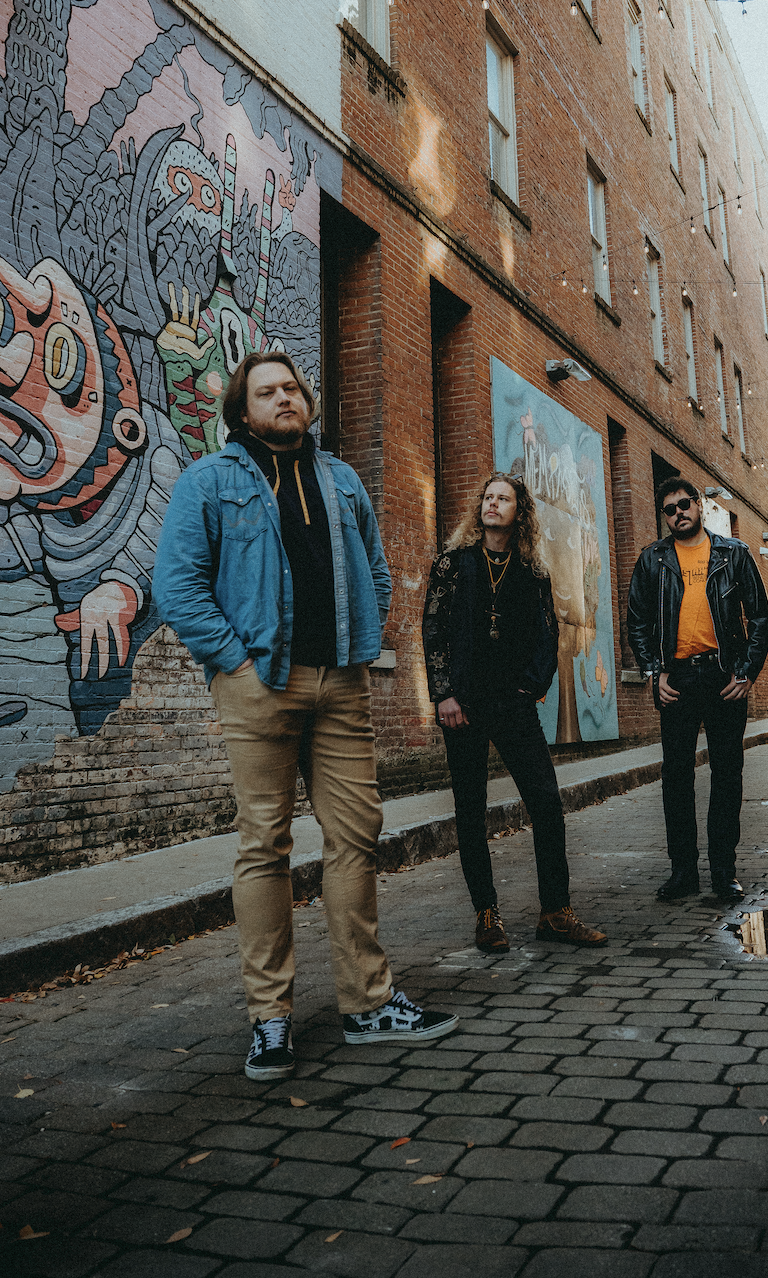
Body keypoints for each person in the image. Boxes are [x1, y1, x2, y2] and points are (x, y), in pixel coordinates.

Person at [154, 351, 457, 1081]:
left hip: (341, 683)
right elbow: (178, 585)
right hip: (260, 682)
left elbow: (376, 570)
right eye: (268, 391)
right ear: (242, 410)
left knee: (357, 836)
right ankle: (270, 1019)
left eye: (292, 387)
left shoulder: (341, 479)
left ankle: (368, 1003)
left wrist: (362, 644)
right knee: (265, 844)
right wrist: (235, 662)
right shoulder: (209, 481)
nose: (285, 398)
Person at [422, 472, 607, 952]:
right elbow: (434, 630)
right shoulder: (452, 564)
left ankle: (556, 912)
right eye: (487, 497)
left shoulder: (532, 572)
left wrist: (532, 686)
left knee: (545, 801)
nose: (492, 504)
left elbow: (548, 635)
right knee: (470, 811)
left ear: (518, 511)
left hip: (513, 703)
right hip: (463, 705)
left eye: (502, 499)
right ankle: (486, 915)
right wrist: (444, 694)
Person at [627, 478, 768, 903]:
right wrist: (654, 672)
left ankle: (723, 872)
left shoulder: (734, 553)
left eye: (684, 504)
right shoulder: (652, 559)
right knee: (676, 777)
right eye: (669, 510)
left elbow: (760, 617)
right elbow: (637, 620)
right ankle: (683, 872)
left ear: (699, 505)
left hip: (723, 676)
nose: (679, 513)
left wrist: (746, 672)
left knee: (727, 774)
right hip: (677, 679)